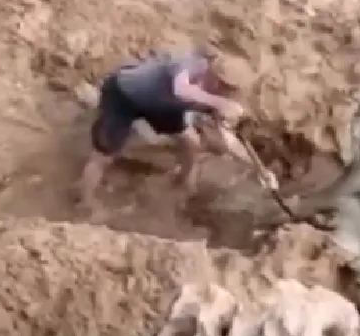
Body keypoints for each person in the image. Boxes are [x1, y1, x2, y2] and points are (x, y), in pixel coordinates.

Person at [80, 49, 277, 213]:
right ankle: (86, 202)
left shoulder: (222, 97)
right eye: (224, 85)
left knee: (191, 141)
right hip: (124, 96)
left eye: (230, 89)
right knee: (103, 157)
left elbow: (228, 140)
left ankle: (185, 182)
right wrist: (220, 102)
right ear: (216, 75)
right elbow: (180, 89)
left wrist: (260, 170)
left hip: (165, 107)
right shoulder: (190, 64)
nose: (225, 91)